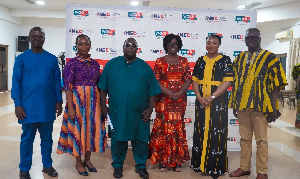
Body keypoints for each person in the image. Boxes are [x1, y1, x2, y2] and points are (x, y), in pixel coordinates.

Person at [98, 38, 161, 179]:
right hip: (117, 112)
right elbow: (102, 88)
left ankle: (141, 166)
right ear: (123, 47)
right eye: (128, 45)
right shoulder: (112, 65)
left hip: (140, 112)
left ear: (137, 49)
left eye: (133, 46)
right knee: (118, 140)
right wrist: (103, 106)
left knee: (140, 140)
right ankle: (118, 166)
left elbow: (152, 90)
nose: (130, 47)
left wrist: (150, 108)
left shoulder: (144, 67)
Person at [229, 28, 287, 179]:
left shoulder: (270, 58)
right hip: (242, 105)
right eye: (249, 37)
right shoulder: (240, 58)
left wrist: (274, 108)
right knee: (245, 139)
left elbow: (276, 86)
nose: (251, 40)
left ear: (260, 39)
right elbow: (235, 82)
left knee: (261, 140)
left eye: (254, 37)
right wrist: (235, 103)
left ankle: (262, 172)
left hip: (261, 106)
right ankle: (244, 167)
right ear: (245, 40)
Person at [11, 27, 62, 179]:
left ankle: (47, 165)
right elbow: (16, 82)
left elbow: (56, 82)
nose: (38, 38)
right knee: (27, 140)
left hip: (47, 107)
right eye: (34, 36)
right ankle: (24, 169)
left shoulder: (52, 59)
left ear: (44, 38)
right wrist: (18, 104)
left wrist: (59, 101)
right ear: (29, 38)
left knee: (47, 139)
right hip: (27, 107)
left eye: (40, 36)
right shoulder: (21, 59)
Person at [56, 34, 107, 176]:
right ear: (76, 46)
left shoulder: (96, 64)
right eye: (80, 44)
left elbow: (99, 84)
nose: (83, 47)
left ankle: (88, 160)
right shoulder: (72, 63)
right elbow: (68, 86)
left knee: (90, 131)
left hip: (93, 103)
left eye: (86, 44)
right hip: (77, 103)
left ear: (90, 46)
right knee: (78, 131)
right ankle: (79, 162)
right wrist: (71, 108)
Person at [190, 34, 233, 179]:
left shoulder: (225, 60)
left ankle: (215, 167)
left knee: (217, 134)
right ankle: (199, 164)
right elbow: (194, 80)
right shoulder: (200, 60)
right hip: (201, 102)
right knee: (200, 132)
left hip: (218, 102)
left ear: (219, 45)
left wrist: (212, 97)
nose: (211, 45)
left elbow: (227, 82)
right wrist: (200, 97)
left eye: (214, 43)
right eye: (208, 42)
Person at [148, 34, 191, 172]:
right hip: (163, 101)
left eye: (175, 43)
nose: (172, 46)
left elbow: (188, 79)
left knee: (176, 129)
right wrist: (170, 93)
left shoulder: (184, 61)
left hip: (179, 101)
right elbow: (157, 81)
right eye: (170, 44)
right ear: (166, 46)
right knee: (163, 129)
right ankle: (162, 161)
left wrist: (178, 94)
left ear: (179, 45)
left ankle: (176, 161)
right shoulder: (160, 61)